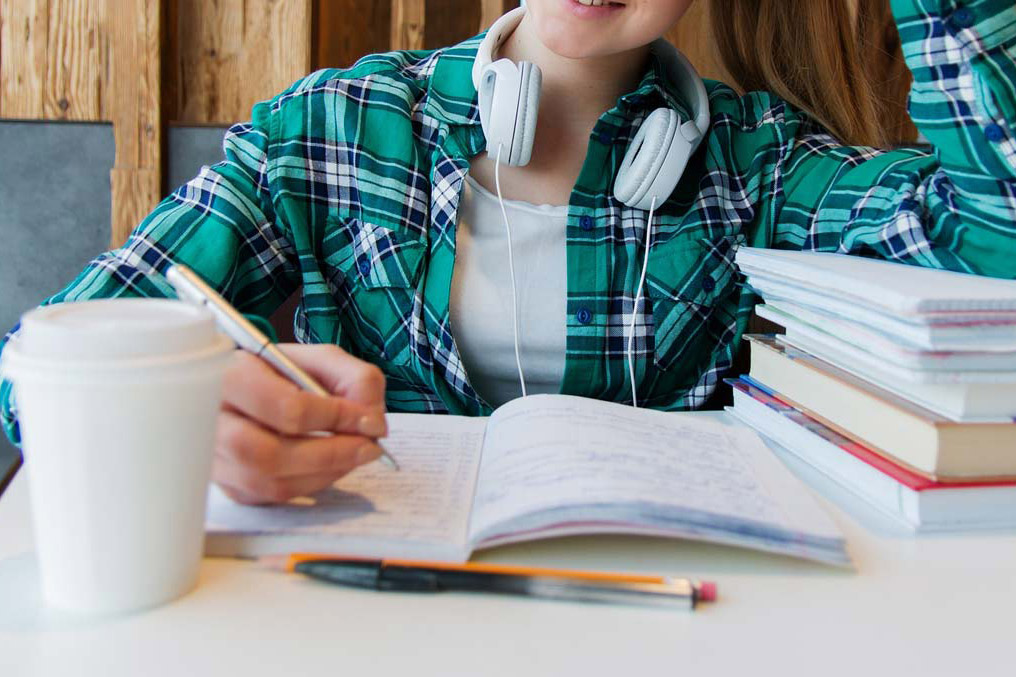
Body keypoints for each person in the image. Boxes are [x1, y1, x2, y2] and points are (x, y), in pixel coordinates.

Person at [2, 0, 1014, 504]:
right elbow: (26, 370)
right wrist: (184, 412)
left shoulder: (763, 166)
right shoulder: (326, 131)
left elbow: (994, 235)